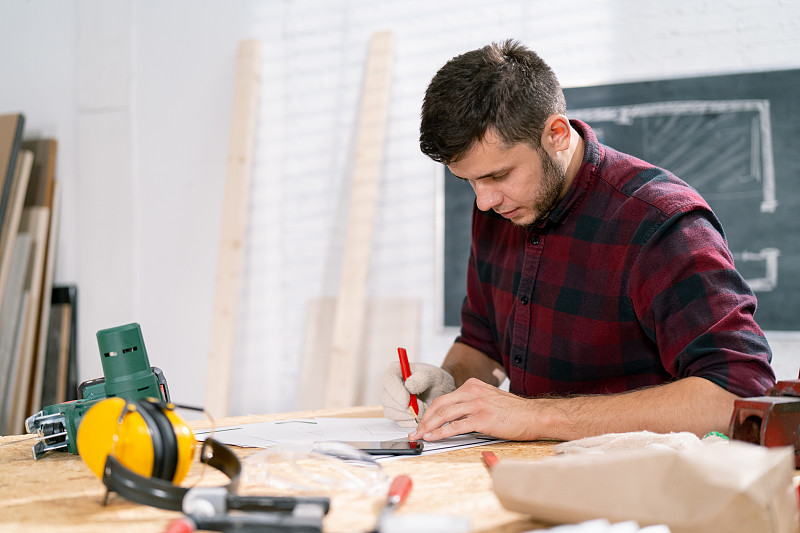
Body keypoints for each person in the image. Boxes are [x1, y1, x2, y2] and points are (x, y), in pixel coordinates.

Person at [381, 39, 776, 443]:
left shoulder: (661, 223)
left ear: (555, 134)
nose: (484, 201)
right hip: (534, 476)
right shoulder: (499, 208)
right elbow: (484, 343)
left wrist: (538, 417)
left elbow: (738, 394)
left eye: (498, 175)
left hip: (642, 490)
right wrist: (449, 387)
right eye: (470, 182)